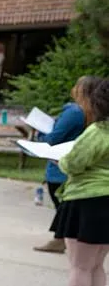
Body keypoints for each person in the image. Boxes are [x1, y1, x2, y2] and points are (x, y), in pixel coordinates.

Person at [42, 78, 109, 286]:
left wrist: (61, 161)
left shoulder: (97, 132)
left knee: (80, 266)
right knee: (97, 265)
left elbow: (73, 163)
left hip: (87, 200)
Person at [33, 76, 102, 254]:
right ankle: (62, 238)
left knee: (63, 206)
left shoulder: (74, 112)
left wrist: (40, 134)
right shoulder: (97, 117)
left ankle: (61, 239)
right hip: (83, 169)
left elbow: (53, 138)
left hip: (62, 164)